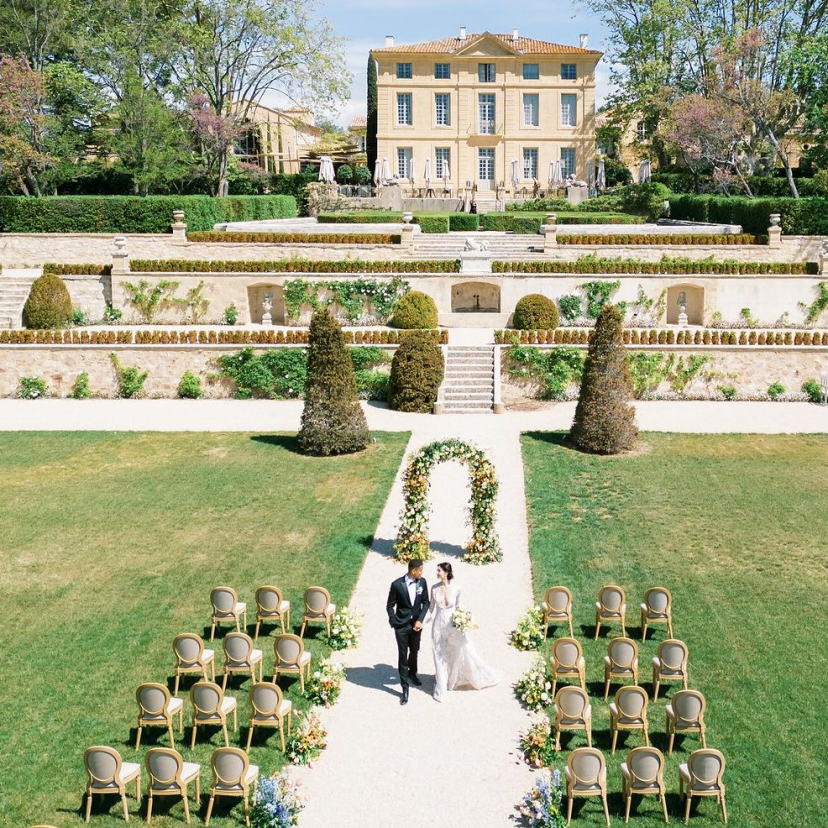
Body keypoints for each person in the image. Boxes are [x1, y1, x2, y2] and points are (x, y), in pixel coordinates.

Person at [425, 562, 499, 702]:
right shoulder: (434, 588)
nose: (437, 572)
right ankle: (441, 687)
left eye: (439, 570)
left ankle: (451, 680)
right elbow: (430, 608)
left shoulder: (456, 588)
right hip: (438, 626)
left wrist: (466, 618)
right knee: (439, 654)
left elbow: (459, 606)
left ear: (447, 572)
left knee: (455, 652)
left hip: (453, 625)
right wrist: (421, 622)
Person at [386, 558, 430, 706]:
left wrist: (420, 620)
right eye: (420, 570)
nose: (422, 573)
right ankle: (405, 688)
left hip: (416, 625)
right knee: (403, 655)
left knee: (415, 651)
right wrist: (394, 622)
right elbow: (390, 606)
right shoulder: (397, 585)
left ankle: (413, 673)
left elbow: (426, 603)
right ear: (413, 571)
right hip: (402, 626)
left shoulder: (422, 582)